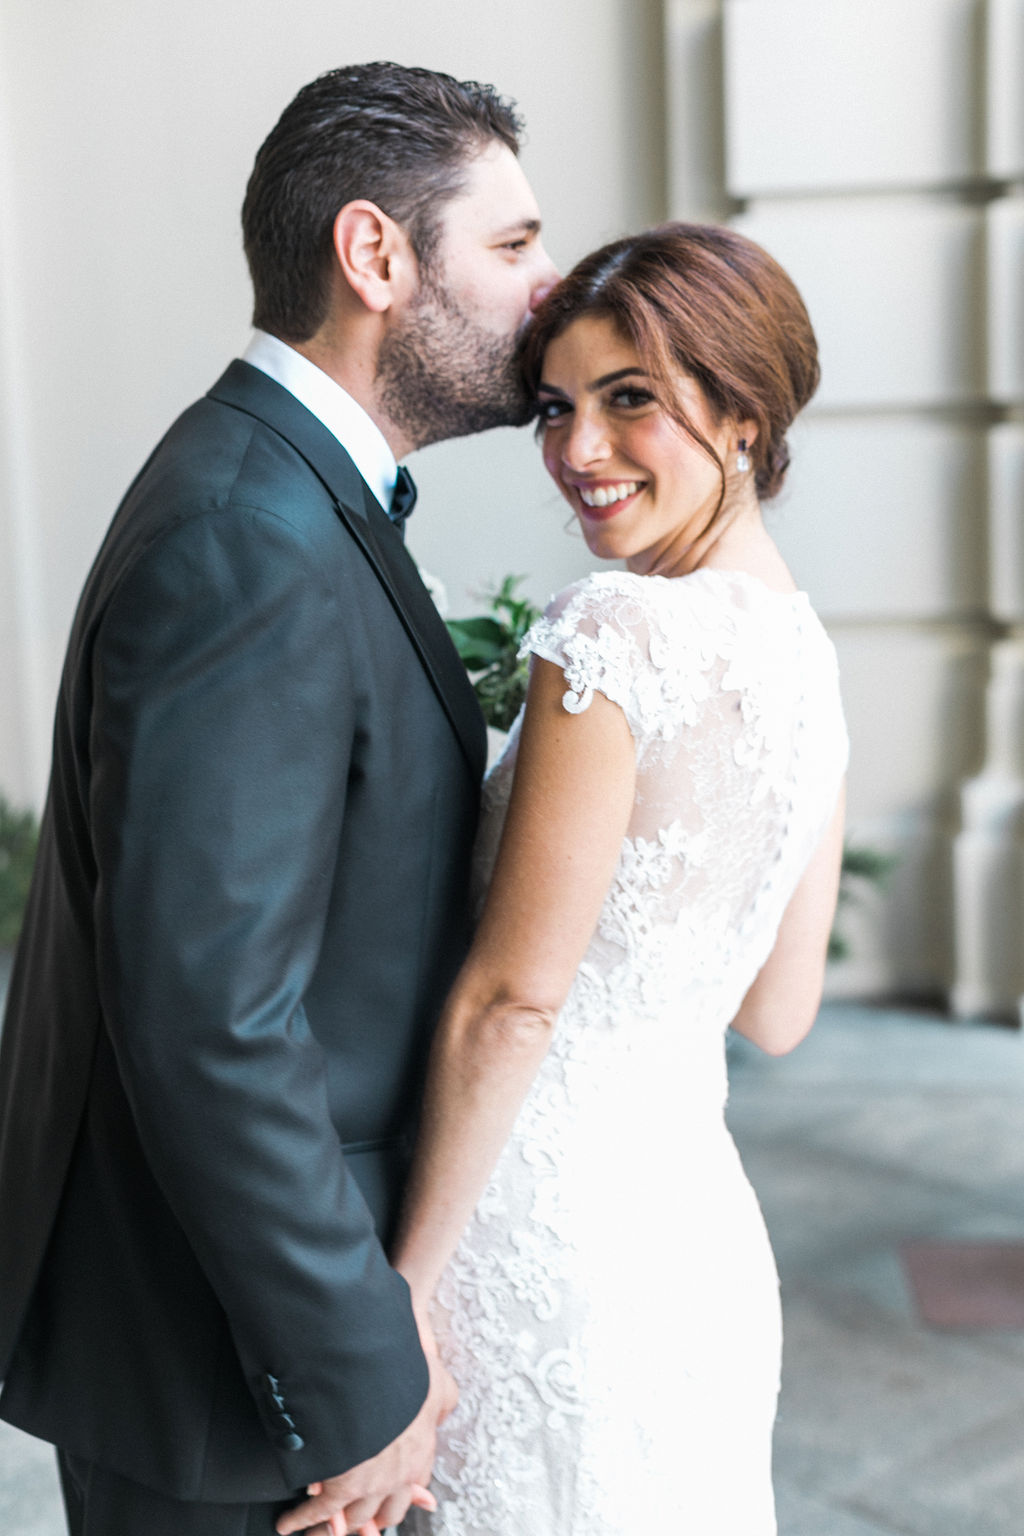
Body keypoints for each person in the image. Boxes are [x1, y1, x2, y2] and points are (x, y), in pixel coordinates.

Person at [0, 62, 557, 1536]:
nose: (549, 289)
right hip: (232, 1379)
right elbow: (209, 1020)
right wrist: (362, 1379)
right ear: (376, 255)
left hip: (247, 1342)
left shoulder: (280, 490)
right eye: (511, 247)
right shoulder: (251, 535)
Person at [389, 224, 849, 1536]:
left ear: (746, 414)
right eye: (555, 407)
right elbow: (778, 1014)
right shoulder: (810, 662)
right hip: (690, 1241)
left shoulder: (611, 633)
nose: (576, 452)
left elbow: (511, 1003)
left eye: (630, 400)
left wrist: (405, 1294)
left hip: (532, 1244)